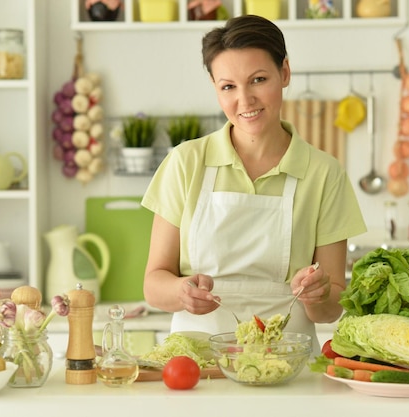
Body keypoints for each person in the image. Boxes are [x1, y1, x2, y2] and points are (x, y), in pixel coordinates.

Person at [141, 14, 366, 353]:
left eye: (258, 79)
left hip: (289, 360)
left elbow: (332, 307)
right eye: (228, 86)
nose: (244, 101)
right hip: (196, 360)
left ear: (285, 73)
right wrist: (180, 292)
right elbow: (154, 283)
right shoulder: (186, 162)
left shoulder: (324, 174)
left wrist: (317, 294)